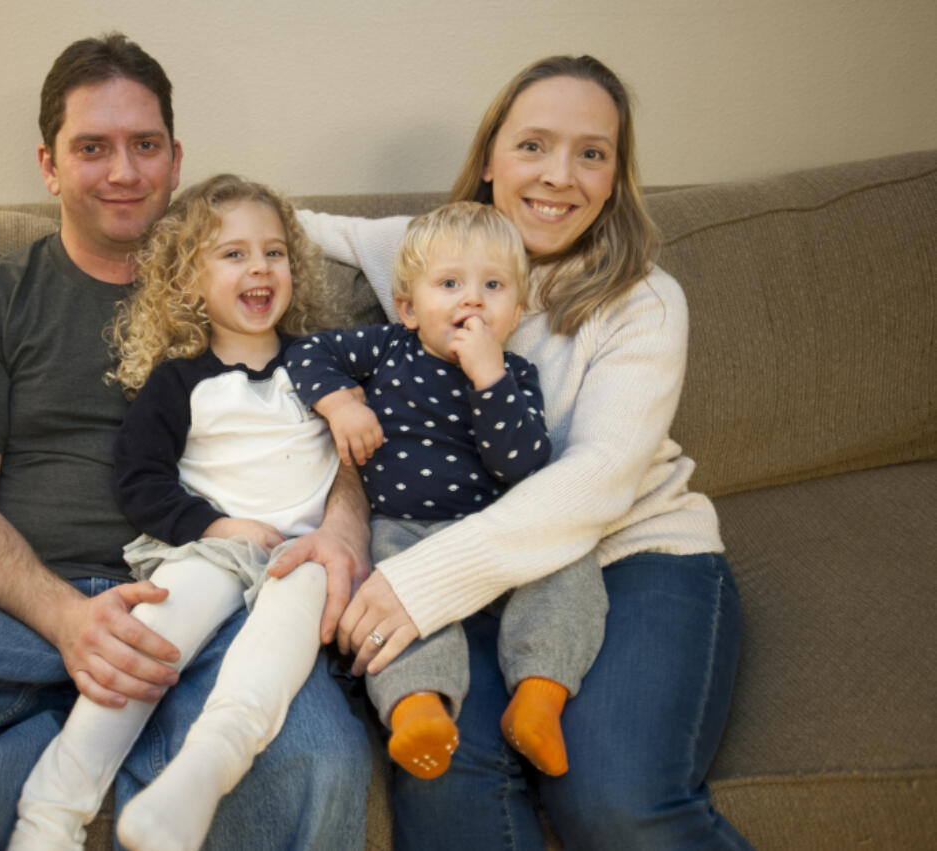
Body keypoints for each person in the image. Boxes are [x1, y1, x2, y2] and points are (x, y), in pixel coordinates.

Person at [0, 34, 370, 850]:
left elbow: (328, 429)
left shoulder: (255, 280)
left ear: (175, 158)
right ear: (49, 165)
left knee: (319, 764)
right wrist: (68, 619)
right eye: (93, 147)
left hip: (222, 582)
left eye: (144, 145)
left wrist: (342, 530)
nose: (123, 170)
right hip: (18, 588)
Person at [296, 55, 750, 849]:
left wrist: (421, 582)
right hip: (471, 562)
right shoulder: (425, 250)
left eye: (592, 153)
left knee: (613, 803)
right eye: (533, 145)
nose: (559, 176)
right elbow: (283, 228)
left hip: (631, 554)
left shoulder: (643, 299)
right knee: (445, 792)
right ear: (489, 161)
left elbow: (598, 482)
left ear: (615, 176)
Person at [12, 173, 343, 851]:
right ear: (188, 280)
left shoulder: (322, 363)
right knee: (148, 648)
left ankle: (200, 774)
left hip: (301, 554)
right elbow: (141, 480)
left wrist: (354, 404)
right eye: (233, 254)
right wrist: (219, 527)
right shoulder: (178, 379)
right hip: (206, 550)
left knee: (280, 649)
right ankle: (49, 814)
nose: (259, 266)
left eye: (274, 251)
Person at [284, 201, 605, 781]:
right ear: (408, 308)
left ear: (518, 309)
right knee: (391, 601)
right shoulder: (388, 347)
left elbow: (523, 464)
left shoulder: (516, 376)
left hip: (496, 531)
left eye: (493, 285)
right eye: (450, 284)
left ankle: (540, 696)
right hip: (403, 530)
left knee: (573, 572)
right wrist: (338, 404)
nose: (472, 299)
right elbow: (306, 352)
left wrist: (489, 378)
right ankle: (417, 709)